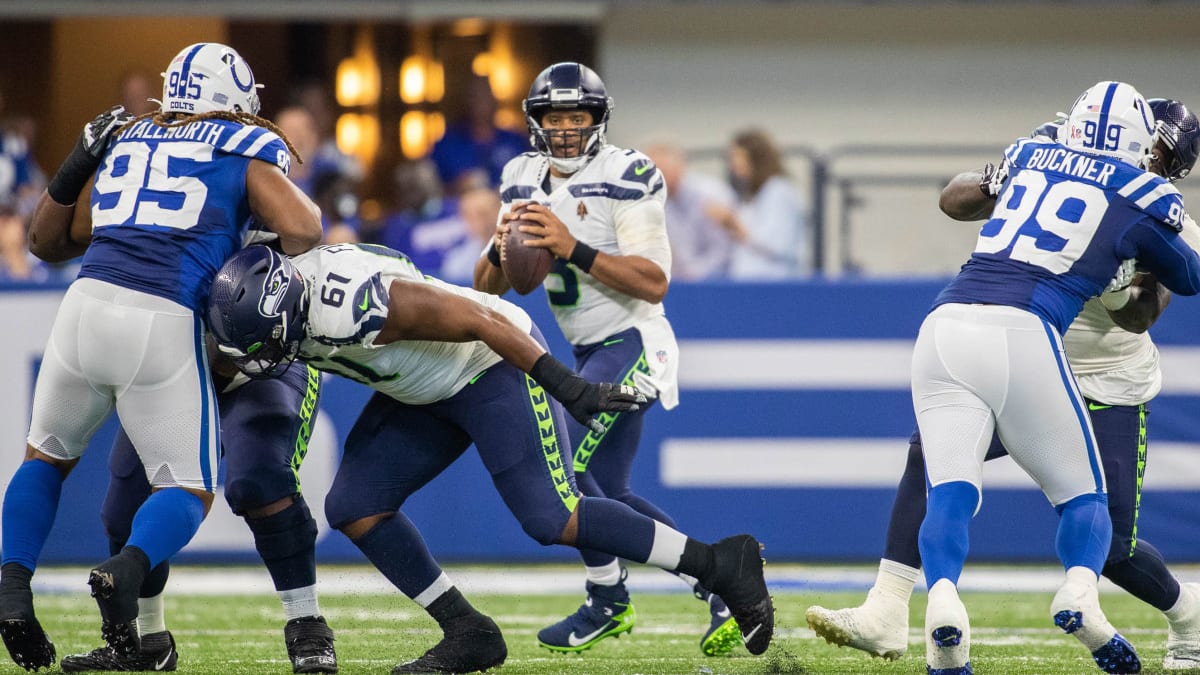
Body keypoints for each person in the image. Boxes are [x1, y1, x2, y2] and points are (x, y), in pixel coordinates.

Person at [206, 242, 775, 673]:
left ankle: (721, 564)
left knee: (554, 518)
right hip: (420, 386)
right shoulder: (270, 298)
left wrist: (568, 387)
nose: (260, 362)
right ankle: (467, 631)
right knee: (356, 505)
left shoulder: (354, 302)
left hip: (486, 365)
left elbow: (483, 318)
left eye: (267, 347)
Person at [807, 98, 1200, 672]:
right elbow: (956, 197)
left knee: (1113, 546)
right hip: (1028, 353)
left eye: (1167, 158)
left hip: (1104, 378)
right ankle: (886, 606)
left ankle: (1188, 616)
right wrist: (1000, 179)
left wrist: (1120, 279)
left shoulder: (1164, 213)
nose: (1155, 164)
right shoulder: (1053, 153)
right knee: (932, 460)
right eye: (1154, 149)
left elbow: (1140, 316)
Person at [0, 42, 322, 671]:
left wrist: (75, 164)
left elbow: (46, 241)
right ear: (234, 104)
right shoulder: (239, 148)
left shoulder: (131, 138)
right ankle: (128, 570)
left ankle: (12, 586)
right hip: (162, 318)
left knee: (45, 459)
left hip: (83, 305)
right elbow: (306, 227)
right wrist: (245, 247)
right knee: (189, 489)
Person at [471, 61, 742, 657]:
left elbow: (653, 282)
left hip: (635, 341)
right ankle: (719, 577)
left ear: (598, 119)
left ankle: (608, 598)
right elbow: (489, 286)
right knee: (604, 494)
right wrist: (499, 247)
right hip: (587, 350)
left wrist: (572, 246)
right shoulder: (518, 177)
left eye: (578, 116)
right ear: (536, 122)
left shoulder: (628, 172)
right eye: (555, 117)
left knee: (560, 467)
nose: (566, 128)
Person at [61, 350, 336, 674]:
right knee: (126, 505)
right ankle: (150, 644)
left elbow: (257, 319)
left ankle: (307, 625)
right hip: (186, 373)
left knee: (259, 479)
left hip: (266, 362)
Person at [642, 138, 742, 280]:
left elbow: (724, 252)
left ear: (679, 165)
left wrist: (691, 275)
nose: (653, 178)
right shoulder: (656, 202)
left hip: (721, 284)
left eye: (660, 169)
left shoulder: (712, 195)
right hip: (681, 285)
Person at [723, 128, 809, 279]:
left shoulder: (779, 191)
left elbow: (776, 243)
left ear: (755, 157)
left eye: (737, 155)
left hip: (774, 283)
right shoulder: (752, 196)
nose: (733, 163)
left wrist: (736, 225)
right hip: (749, 282)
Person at [429, 75, 528, 193]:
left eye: (486, 94)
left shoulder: (514, 140)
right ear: (466, 101)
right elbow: (430, 189)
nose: (481, 101)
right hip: (461, 207)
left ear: (494, 100)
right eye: (475, 96)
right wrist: (458, 186)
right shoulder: (447, 144)